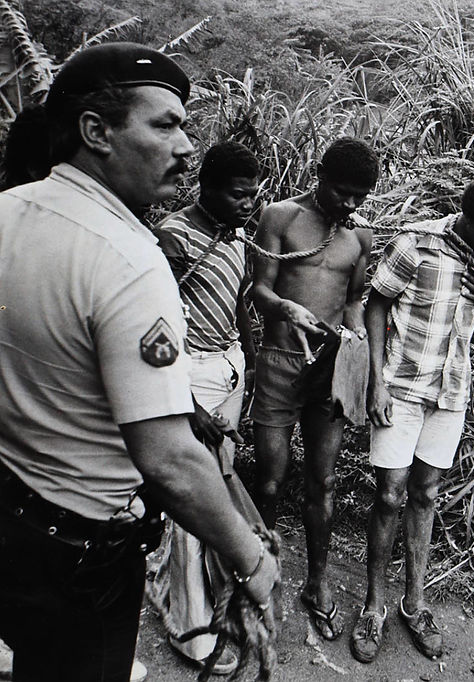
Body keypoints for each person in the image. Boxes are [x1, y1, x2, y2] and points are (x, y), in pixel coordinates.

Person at [0, 43, 277, 682]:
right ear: (96, 132)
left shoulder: (10, 211)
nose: (186, 146)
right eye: (165, 125)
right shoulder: (131, 259)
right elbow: (170, 461)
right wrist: (253, 561)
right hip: (80, 552)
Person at [350, 175, 474, 664]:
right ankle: (373, 606)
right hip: (401, 387)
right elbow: (376, 306)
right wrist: (376, 382)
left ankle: (415, 603)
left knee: (426, 493)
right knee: (389, 495)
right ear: (469, 217)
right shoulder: (416, 243)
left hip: (450, 393)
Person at [250, 137, 379, 641]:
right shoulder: (280, 217)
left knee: (322, 482)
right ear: (319, 174)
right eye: (342, 191)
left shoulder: (359, 236)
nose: (350, 203)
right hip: (281, 361)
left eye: (359, 196)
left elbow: (353, 300)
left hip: (330, 368)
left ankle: (317, 583)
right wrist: (285, 308)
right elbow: (259, 289)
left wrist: (356, 346)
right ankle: (262, 579)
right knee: (269, 481)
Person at [149, 141, 261, 674]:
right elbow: (154, 328)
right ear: (206, 188)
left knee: (216, 493)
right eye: (238, 194)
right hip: (189, 375)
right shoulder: (174, 236)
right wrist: (186, 401)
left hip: (227, 369)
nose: (248, 203)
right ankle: (191, 631)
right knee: (192, 502)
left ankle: (201, 597)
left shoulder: (234, 233)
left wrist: (249, 365)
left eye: (253, 194)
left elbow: (237, 304)